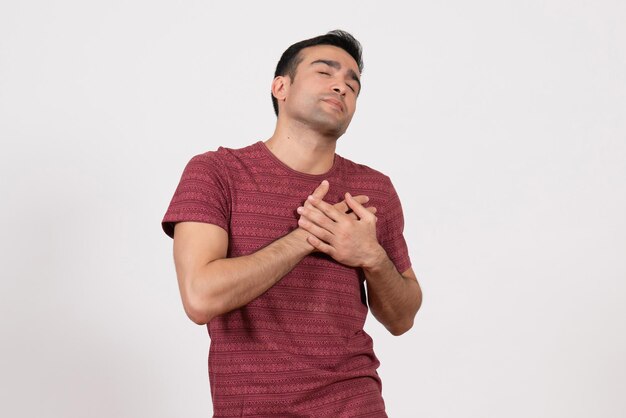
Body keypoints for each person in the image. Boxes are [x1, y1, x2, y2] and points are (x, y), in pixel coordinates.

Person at [162, 29, 422, 417]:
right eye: (325, 73)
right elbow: (201, 297)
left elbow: (403, 318)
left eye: (353, 84)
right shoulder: (217, 172)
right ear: (280, 87)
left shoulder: (374, 189)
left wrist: (372, 256)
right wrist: (303, 239)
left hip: (355, 405)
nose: (342, 87)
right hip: (252, 408)